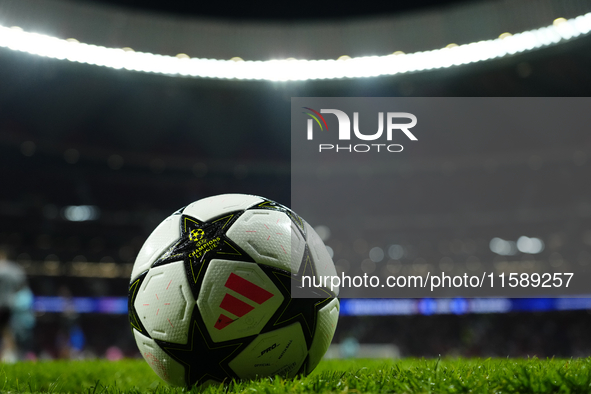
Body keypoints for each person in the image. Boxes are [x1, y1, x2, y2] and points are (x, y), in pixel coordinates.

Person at [0, 247, 26, 363]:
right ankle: (11, 358)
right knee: (7, 331)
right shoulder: (14, 269)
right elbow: (21, 285)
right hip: (9, 305)